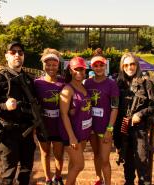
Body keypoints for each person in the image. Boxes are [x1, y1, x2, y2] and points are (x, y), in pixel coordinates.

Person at [0, 41, 36, 185]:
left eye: (20, 52)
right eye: (13, 52)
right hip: (7, 132)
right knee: (8, 172)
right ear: (6, 56)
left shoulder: (28, 78)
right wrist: (4, 106)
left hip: (27, 131)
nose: (17, 55)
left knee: (26, 169)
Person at [114, 52, 154, 185]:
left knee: (141, 159)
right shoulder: (119, 83)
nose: (129, 67)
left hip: (139, 129)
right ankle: (129, 182)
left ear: (137, 65)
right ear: (122, 67)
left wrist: (140, 114)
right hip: (123, 127)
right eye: (126, 65)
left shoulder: (146, 83)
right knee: (127, 160)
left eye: (132, 64)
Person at [84, 55, 119, 185]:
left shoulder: (111, 84)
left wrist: (110, 129)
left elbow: (115, 107)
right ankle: (99, 178)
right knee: (96, 155)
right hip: (91, 127)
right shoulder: (87, 83)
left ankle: (108, 183)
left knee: (105, 159)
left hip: (105, 127)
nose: (98, 68)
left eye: (101, 65)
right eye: (95, 65)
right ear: (91, 67)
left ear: (105, 66)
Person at [59, 57, 92, 185]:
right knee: (79, 165)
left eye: (82, 69)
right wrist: (71, 137)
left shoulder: (83, 86)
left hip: (82, 132)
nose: (80, 72)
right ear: (71, 71)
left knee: (73, 164)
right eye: (76, 69)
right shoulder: (68, 90)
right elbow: (63, 114)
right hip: (71, 134)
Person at [34, 48, 65, 185]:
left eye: (54, 64)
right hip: (43, 126)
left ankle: (58, 178)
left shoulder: (64, 83)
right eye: (48, 64)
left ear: (58, 65)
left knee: (58, 155)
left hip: (59, 126)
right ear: (43, 65)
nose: (51, 67)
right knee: (45, 154)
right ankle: (48, 179)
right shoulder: (37, 83)